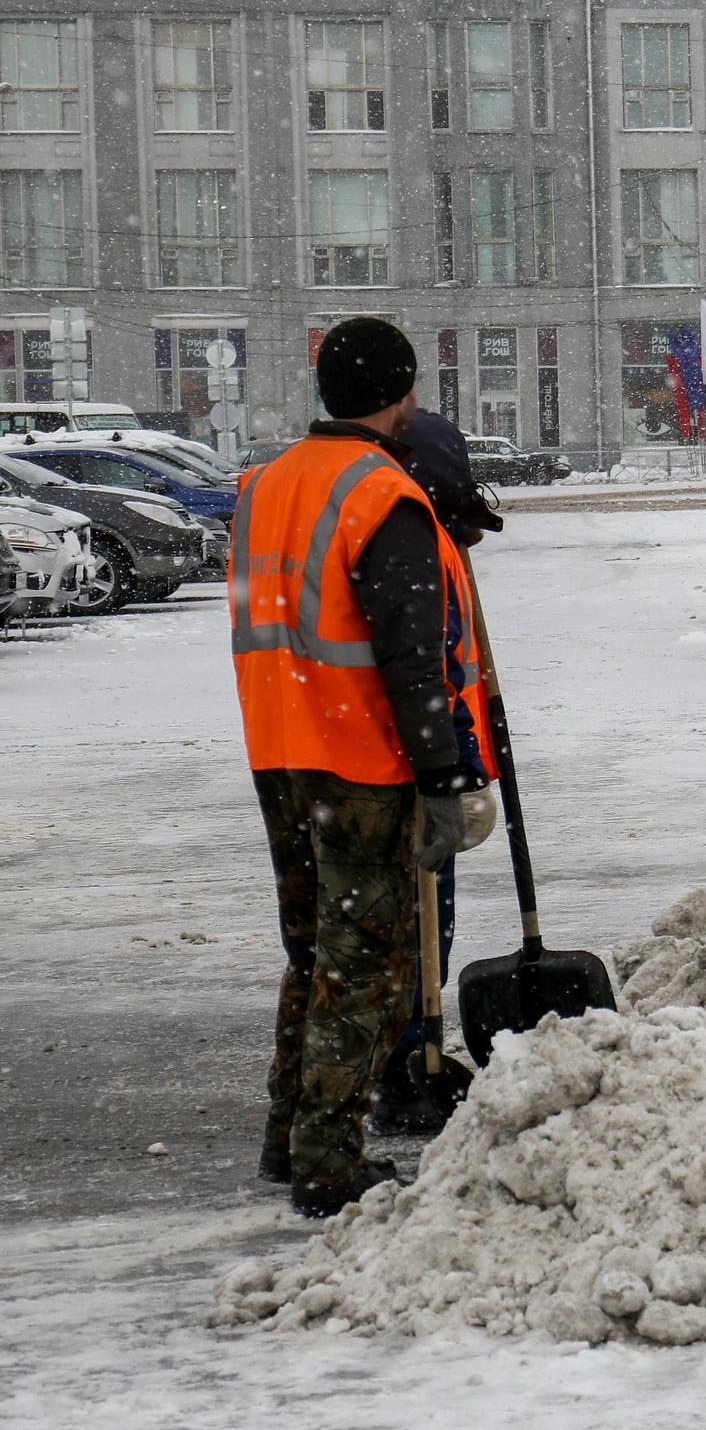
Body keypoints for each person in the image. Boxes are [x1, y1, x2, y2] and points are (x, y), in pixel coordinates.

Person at [230, 318, 486, 1218]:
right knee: (363, 964)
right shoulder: (381, 493)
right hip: (360, 765)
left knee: (311, 954)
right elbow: (412, 658)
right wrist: (445, 775)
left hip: (279, 750)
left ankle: (287, 1135)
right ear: (403, 393)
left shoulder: (266, 486)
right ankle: (327, 1164)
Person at [367, 410, 504, 1132]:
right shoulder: (414, 544)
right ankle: (405, 1058)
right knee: (414, 923)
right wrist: (454, 770)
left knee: (402, 927)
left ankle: (402, 1050)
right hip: (408, 764)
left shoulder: (414, 534)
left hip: (364, 760)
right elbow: (430, 670)